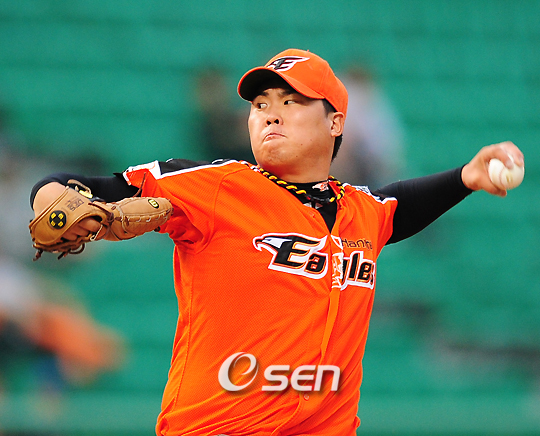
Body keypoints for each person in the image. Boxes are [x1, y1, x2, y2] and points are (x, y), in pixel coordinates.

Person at [29, 49, 524, 436]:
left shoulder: (361, 210)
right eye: (260, 104)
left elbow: (399, 205)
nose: (270, 114)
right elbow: (79, 186)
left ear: (335, 122)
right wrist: (54, 202)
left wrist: (466, 177)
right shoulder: (217, 186)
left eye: (291, 102)